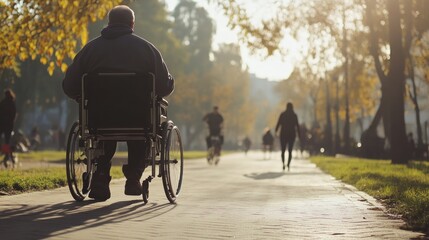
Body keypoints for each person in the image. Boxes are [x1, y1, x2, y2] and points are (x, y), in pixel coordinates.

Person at [62, 5, 175, 201]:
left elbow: (70, 84)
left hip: (100, 116)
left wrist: (81, 97)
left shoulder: (90, 49)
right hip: (139, 117)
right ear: (132, 24)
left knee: (103, 131)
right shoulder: (147, 49)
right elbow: (164, 86)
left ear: (109, 22)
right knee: (143, 131)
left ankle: (101, 177)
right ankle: (133, 177)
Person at [275, 102, 301, 170]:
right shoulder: (294, 115)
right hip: (291, 135)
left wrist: (276, 131)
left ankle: (283, 163)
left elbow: (278, 124)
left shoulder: (283, 114)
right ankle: (288, 164)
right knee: (290, 151)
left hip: (283, 134)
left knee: (283, 150)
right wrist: (299, 135)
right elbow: (297, 126)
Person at [0, 89, 17, 166]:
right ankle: (7, 154)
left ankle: (4, 152)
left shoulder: (3, 102)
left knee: (3, 140)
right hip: (9, 125)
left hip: (2, 124)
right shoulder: (12, 103)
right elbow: (14, 115)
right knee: (7, 140)